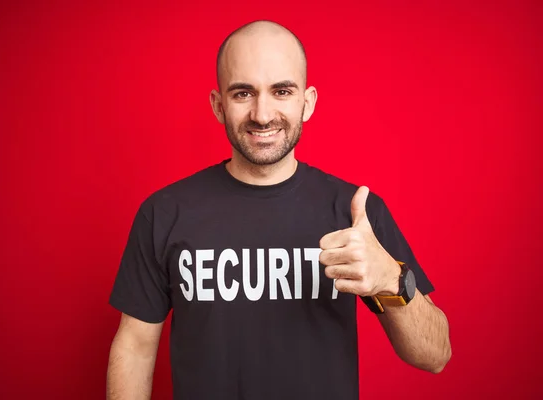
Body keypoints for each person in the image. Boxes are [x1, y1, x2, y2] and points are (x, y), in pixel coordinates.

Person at [106, 20, 451, 400]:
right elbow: (136, 347)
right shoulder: (164, 213)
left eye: (281, 91)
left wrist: (391, 278)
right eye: (243, 93)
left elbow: (434, 356)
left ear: (308, 102)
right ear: (218, 106)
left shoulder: (356, 214)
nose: (262, 114)